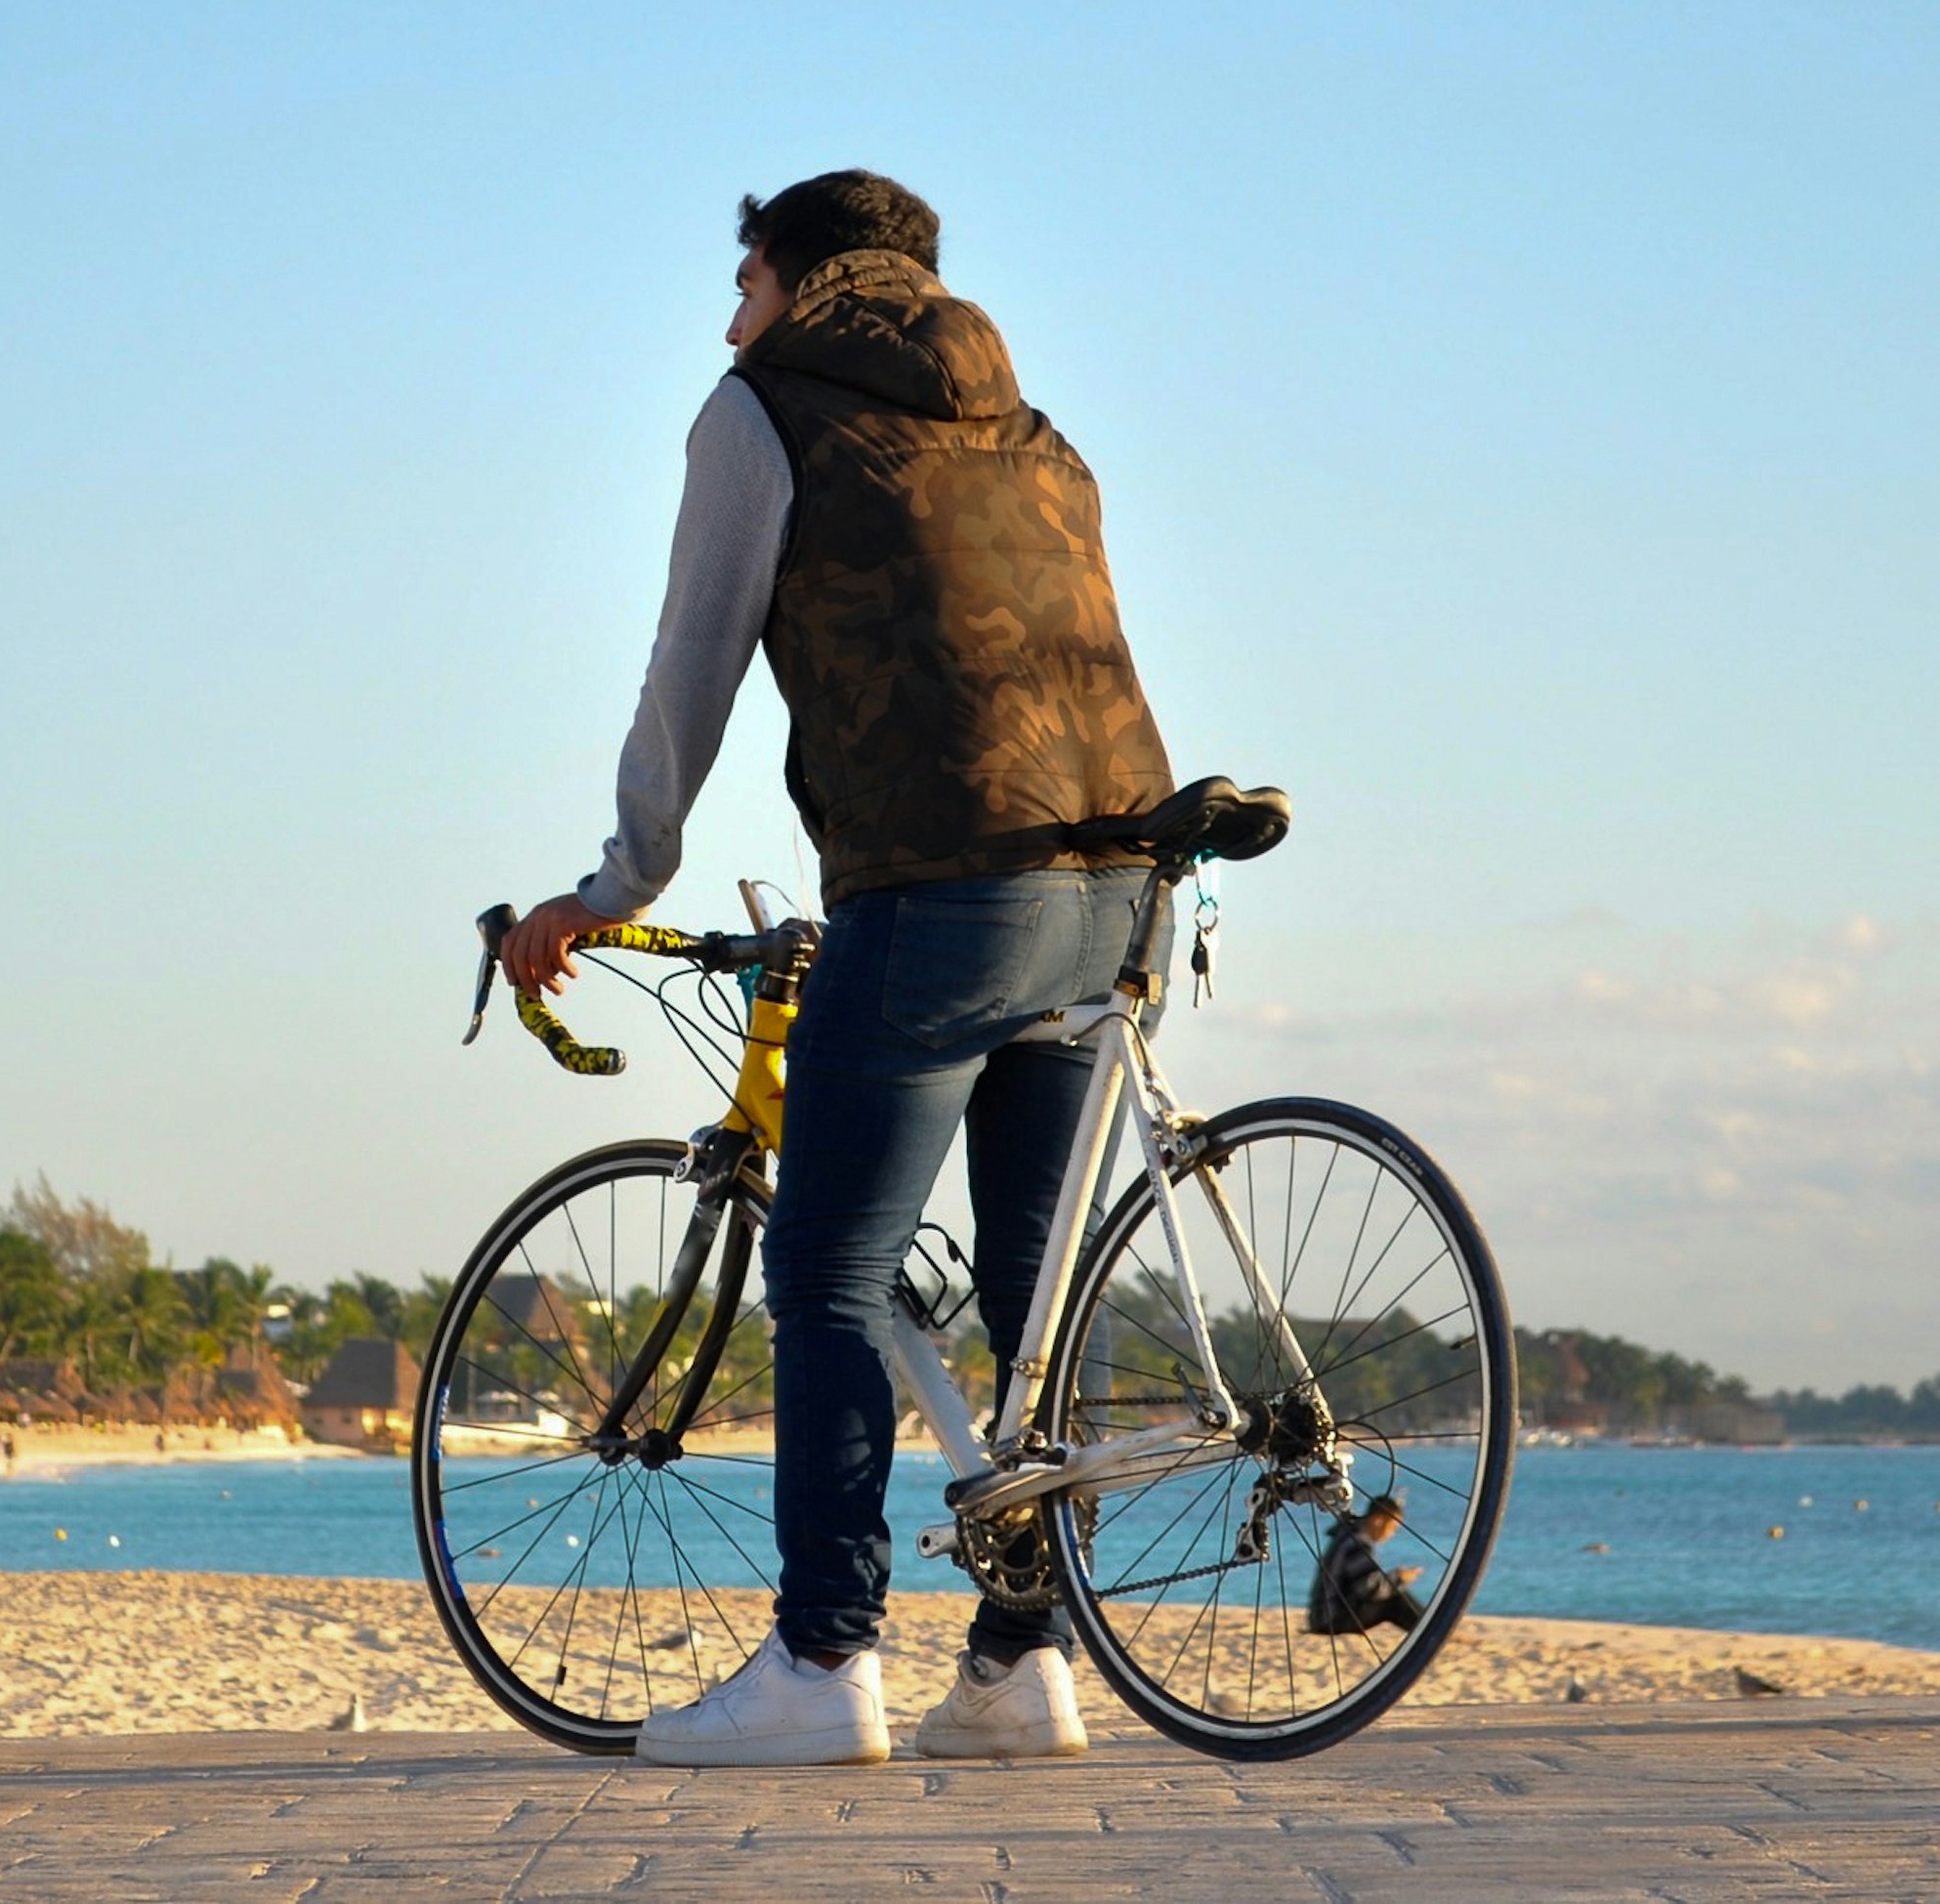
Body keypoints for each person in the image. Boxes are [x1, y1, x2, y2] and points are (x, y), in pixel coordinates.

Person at [499, 172, 1176, 1768]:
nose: (725, 316)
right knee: (1036, 1295)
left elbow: (693, 658)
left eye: (740, 281)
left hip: (946, 885)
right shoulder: (1035, 428)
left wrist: (620, 880)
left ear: (801, 282)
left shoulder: (764, 406)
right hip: (1120, 878)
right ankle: (1019, 1663)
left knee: (824, 1269)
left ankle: (823, 1655)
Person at [1303, 1493, 1426, 1637]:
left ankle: (1427, 1625)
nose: (1392, 1534)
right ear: (1378, 1520)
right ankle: (1429, 1628)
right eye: (1393, 1527)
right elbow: (1367, 1589)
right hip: (1330, 1619)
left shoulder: (1349, 1535)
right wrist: (1399, 1577)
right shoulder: (1357, 1543)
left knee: (1393, 1592)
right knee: (1395, 1600)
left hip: (1323, 1615)